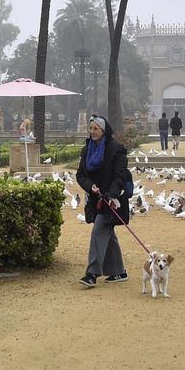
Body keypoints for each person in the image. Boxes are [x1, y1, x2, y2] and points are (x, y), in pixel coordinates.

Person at [76, 115, 130, 288]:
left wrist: (110, 194)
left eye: (95, 129)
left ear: (103, 130)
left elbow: (120, 176)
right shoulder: (87, 150)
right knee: (107, 233)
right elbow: (80, 175)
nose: (92, 132)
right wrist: (90, 186)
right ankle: (118, 271)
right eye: (90, 129)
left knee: (99, 231)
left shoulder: (116, 149)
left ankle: (91, 274)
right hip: (95, 199)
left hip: (112, 200)